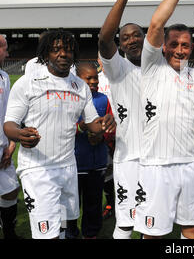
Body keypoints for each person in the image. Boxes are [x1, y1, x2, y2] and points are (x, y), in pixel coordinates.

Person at [133, 0, 194, 239]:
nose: (179, 50)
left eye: (185, 45)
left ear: (191, 48)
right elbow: (157, 22)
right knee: (152, 234)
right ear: (163, 46)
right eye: (174, 44)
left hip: (191, 164)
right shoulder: (152, 67)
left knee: (192, 229)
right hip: (157, 166)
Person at [4, 30, 115, 239]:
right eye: (56, 50)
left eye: (68, 50)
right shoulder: (28, 83)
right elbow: (9, 124)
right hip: (38, 171)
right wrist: (20, 134)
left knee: (64, 227)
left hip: (68, 169)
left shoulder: (79, 85)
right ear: (46, 54)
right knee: (48, 235)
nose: (63, 54)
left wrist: (106, 122)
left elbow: (92, 125)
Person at [98, 0, 145, 239]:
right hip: (128, 159)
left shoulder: (159, 69)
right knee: (125, 224)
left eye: (136, 34)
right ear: (121, 46)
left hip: (159, 159)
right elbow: (105, 38)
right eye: (125, 37)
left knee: (154, 223)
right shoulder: (118, 69)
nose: (131, 39)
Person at [66, 62, 115, 239]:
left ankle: (91, 233)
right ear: (78, 79)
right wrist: (83, 127)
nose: (94, 81)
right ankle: (70, 233)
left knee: (93, 202)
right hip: (75, 162)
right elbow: (64, 128)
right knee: (71, 204)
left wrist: (103, 136)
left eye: (96, 77)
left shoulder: (103, 98)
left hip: (98, 161)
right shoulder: (69, 98)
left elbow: (111, 127)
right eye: (89, 78)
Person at [0, 36, 20, 239]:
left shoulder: (4, 77)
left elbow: (10, 114)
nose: (7, 54)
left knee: (11, 191)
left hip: (4, 149)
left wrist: (12, 144)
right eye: (5, 50)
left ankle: (9, 232)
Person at [96, 56, 115, 220]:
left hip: (125, 132)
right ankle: (110, 204)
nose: (104, 62)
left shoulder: (121, 76)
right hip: (104, 134)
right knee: (107, 172)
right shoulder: (96, 80)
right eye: (101, 59)